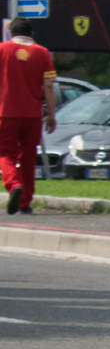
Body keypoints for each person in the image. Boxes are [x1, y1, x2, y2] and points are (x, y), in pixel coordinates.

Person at [0, 17, 59, 215]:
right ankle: (25, 202)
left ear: (10, 32)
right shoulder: (42, 53)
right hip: (32, 114)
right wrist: (51, 114)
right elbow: (49, 86)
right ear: (32, 34)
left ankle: (13, 183)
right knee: (28, 156)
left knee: (5, 153)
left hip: (6, 111)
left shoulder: (2, 50)